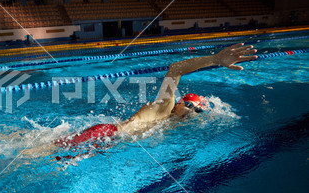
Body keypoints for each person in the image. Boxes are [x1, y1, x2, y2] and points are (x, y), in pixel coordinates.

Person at [23, 43, 257, 160]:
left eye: (196, 111)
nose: (191, 111)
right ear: (179, 102)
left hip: (109, 142)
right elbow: (175, 69)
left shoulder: (172, 122)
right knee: (38, 154)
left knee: (51, 154)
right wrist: (214, 59)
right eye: (189, 104)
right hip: (105, 133)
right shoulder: (166, 105)